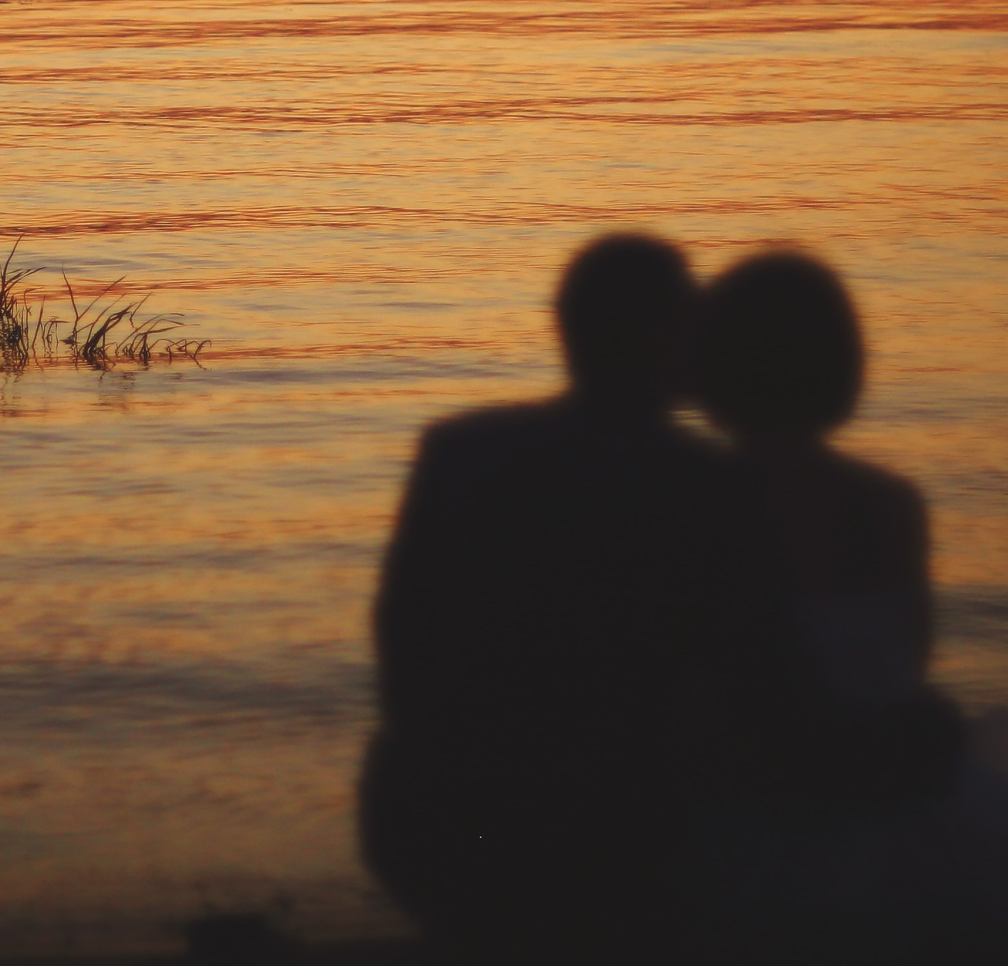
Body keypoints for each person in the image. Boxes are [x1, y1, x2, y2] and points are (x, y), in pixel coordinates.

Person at [360, 234, 963, 960]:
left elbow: (400, 641)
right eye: (690, 322)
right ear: (664, 339)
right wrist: (920, 743)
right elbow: (771, 701)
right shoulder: (707, 487)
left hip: (424, 825)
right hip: (603, 851)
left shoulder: (458, 448)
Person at [691, 250, 1008, 938]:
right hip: (891, 791)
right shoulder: (890, 503)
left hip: (766, 800)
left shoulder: (696, 503)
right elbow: (910, 660)